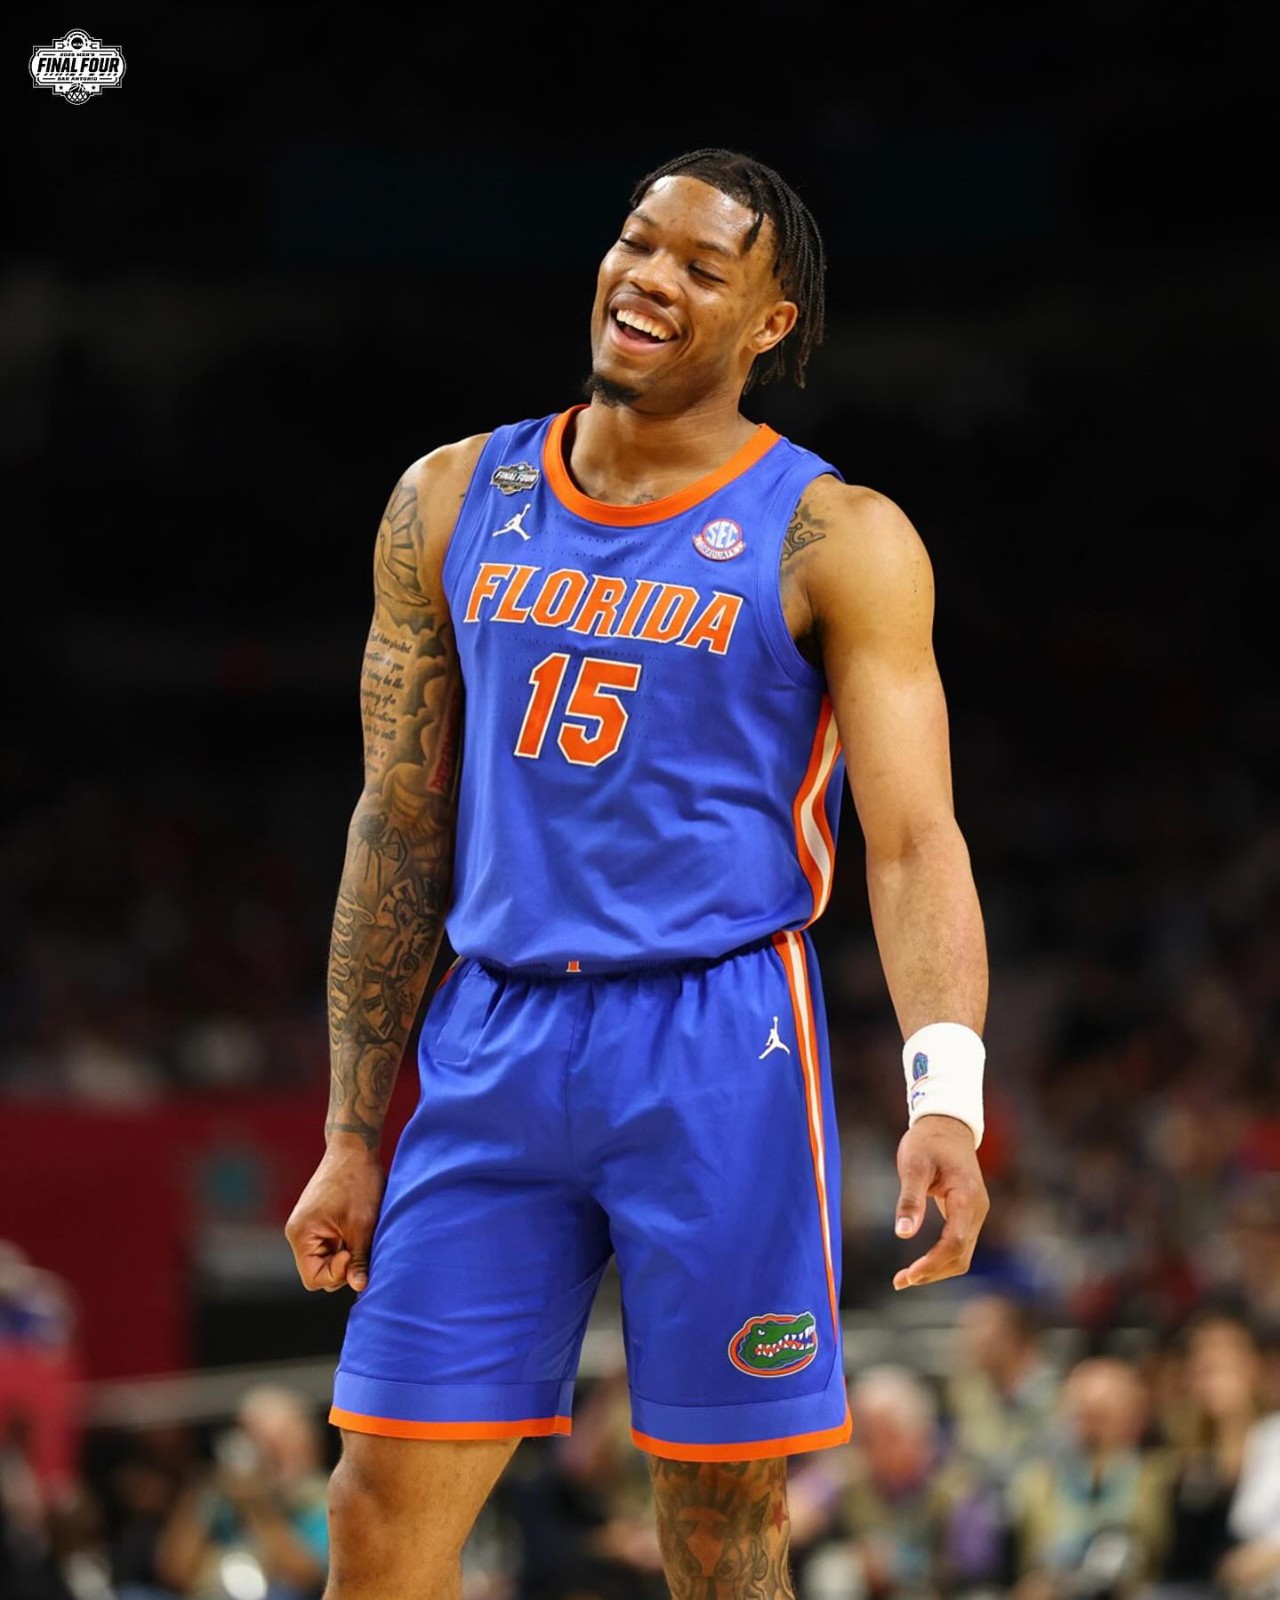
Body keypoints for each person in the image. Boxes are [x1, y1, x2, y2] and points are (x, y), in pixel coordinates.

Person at [284, 145, 992, 1598]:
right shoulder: (448, 497)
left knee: (721, 1532)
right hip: (493, 1032)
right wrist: (355, 1129)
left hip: (717, 1039)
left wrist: (948, 1097)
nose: (649, 277)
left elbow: (915, 840)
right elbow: (396, 825)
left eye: (701, 266)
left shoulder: (839, 536)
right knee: (376, 1503)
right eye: (637, 241)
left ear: (770, 322)